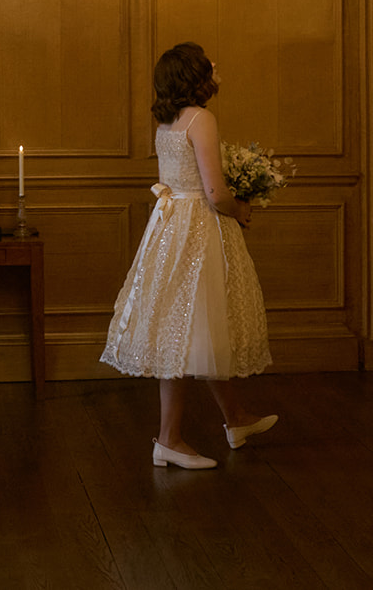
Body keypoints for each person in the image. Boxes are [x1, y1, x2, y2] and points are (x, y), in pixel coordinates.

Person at [101, 42, 276, 469]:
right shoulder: (202, 119)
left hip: (169, 227)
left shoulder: (168, 122)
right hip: (198, 229)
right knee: (186, 331)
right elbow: (215, 193)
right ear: (196, 77)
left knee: (199, 331)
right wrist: (241, 209)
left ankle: (235, 418)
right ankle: (169, 440)